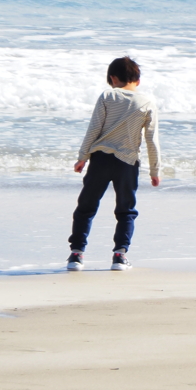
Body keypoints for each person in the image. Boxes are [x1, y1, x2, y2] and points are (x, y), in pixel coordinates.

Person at [66, 56, 160, 272]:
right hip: (127, 163)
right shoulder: (147, 102)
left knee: (86, 207)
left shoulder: (107, 96)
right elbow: (152, 139)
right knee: (126, 210)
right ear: (138, 80)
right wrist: (155, 170)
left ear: (113, 78)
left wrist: (83, 157)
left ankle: (76, 254)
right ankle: (120, 255)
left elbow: (94, 129)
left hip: (100, 159)